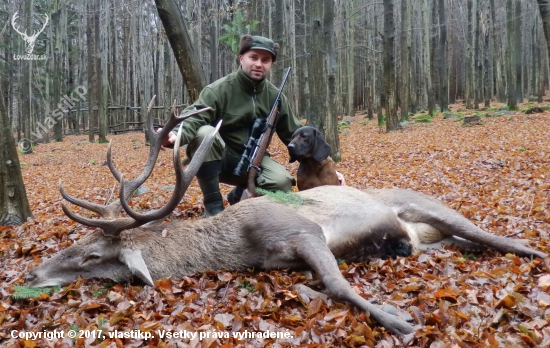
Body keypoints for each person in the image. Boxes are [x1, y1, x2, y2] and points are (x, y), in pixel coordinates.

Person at [163, 35, 302, 217]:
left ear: (271, 64)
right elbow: (195, 117)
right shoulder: (219, 90)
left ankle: (239, 195)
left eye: (265, 60)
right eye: (253, 58)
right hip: (220, 160)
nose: (259, 64)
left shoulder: (276, 97)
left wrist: (327, 165)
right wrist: (175, 134)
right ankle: (213, 205)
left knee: (282, 183)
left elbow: (297, 135)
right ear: (241, 58)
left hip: (255, 161)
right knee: (206, 133)